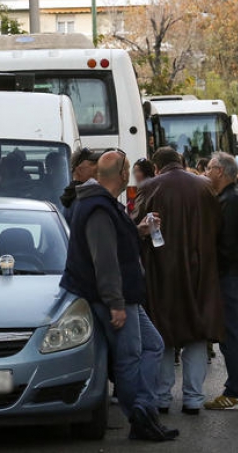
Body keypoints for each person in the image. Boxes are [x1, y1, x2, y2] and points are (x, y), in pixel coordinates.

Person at [59, 150, 177, 442]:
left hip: (124, 296)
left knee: (152, 346)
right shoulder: (98, 207)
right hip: (117, 298)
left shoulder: (103, 204)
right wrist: (115, 304)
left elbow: (113, 243)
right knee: (129, 357)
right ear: (123, 175)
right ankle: (139, 418)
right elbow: (105, 261)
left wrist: (140, 230)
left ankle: (144, 411)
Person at [134, 147, 222, 415]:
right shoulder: (206, 187)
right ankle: (193, 398)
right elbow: (218, 227)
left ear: (156, 167)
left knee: (162, 335)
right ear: (182, 163)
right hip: (200, 271)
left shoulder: (150, 187)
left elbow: (136, 228)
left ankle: (162, 397)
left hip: (162, 272)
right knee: (196, 335)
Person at [203, 152, 238, 411]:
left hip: (232, 276)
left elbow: (226, 244)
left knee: (232, 337)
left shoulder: (230, 201)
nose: (207, 172)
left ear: (221, 172)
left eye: (210, 168)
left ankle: (235, 392)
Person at [60, 148, 102, 224]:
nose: (98, 167)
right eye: (93, 163)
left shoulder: (72, 194)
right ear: (80, 170)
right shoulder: (83, 197)